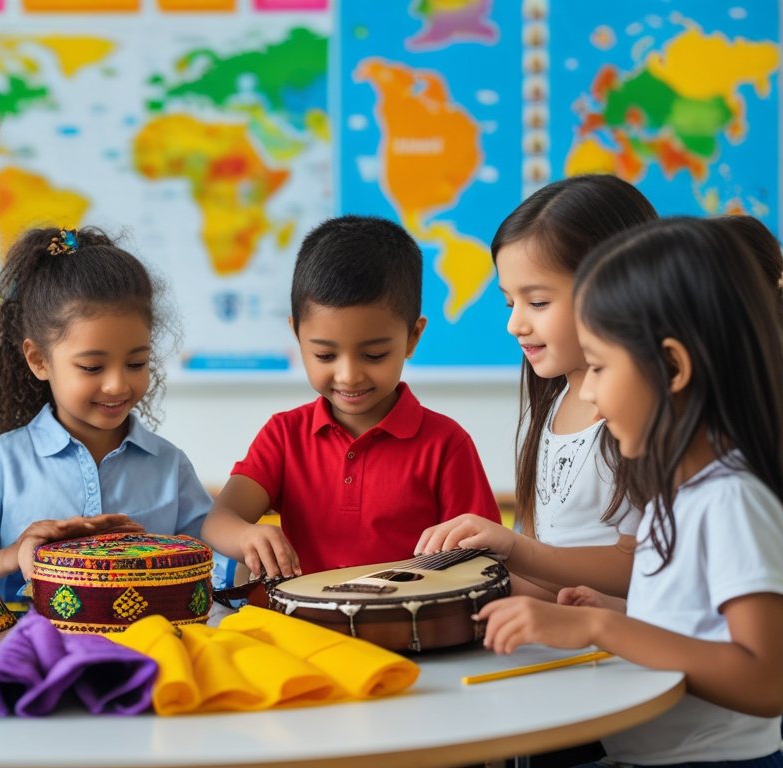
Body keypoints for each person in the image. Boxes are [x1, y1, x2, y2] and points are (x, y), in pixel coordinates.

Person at [425, 218, 783, 765]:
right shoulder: (680, 495)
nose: (587, 390)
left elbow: (764, 680)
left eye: (598, 367)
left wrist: (603, 626)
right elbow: (694, 626)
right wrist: (615, 609)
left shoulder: (731, 499)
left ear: (671, 366)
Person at [201, 215, 500, 580]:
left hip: (407, 631)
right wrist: (247, 534)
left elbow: (484, 554)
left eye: (373, 356)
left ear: (412, 338)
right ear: (297, 335)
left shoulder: (446, 444)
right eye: (325, 356)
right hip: (301, 628)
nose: (348, 376)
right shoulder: (284, 435)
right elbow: (218, 521)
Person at [0, 227, 211, 601]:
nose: (117, 385)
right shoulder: (4, 462)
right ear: (39, 359)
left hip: (148, 645)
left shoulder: (169, 466)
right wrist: (14, 555)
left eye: (136, 362)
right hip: (29, 646)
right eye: (93, 368)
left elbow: (212, 562)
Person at [491, 175, 656, 599]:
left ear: (616, 290)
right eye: (510, 303)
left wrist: (515, 552)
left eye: (538, 302)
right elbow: (547, 559)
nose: (515, 324)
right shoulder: (553, 401)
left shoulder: (636, 419)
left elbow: (641, 564)